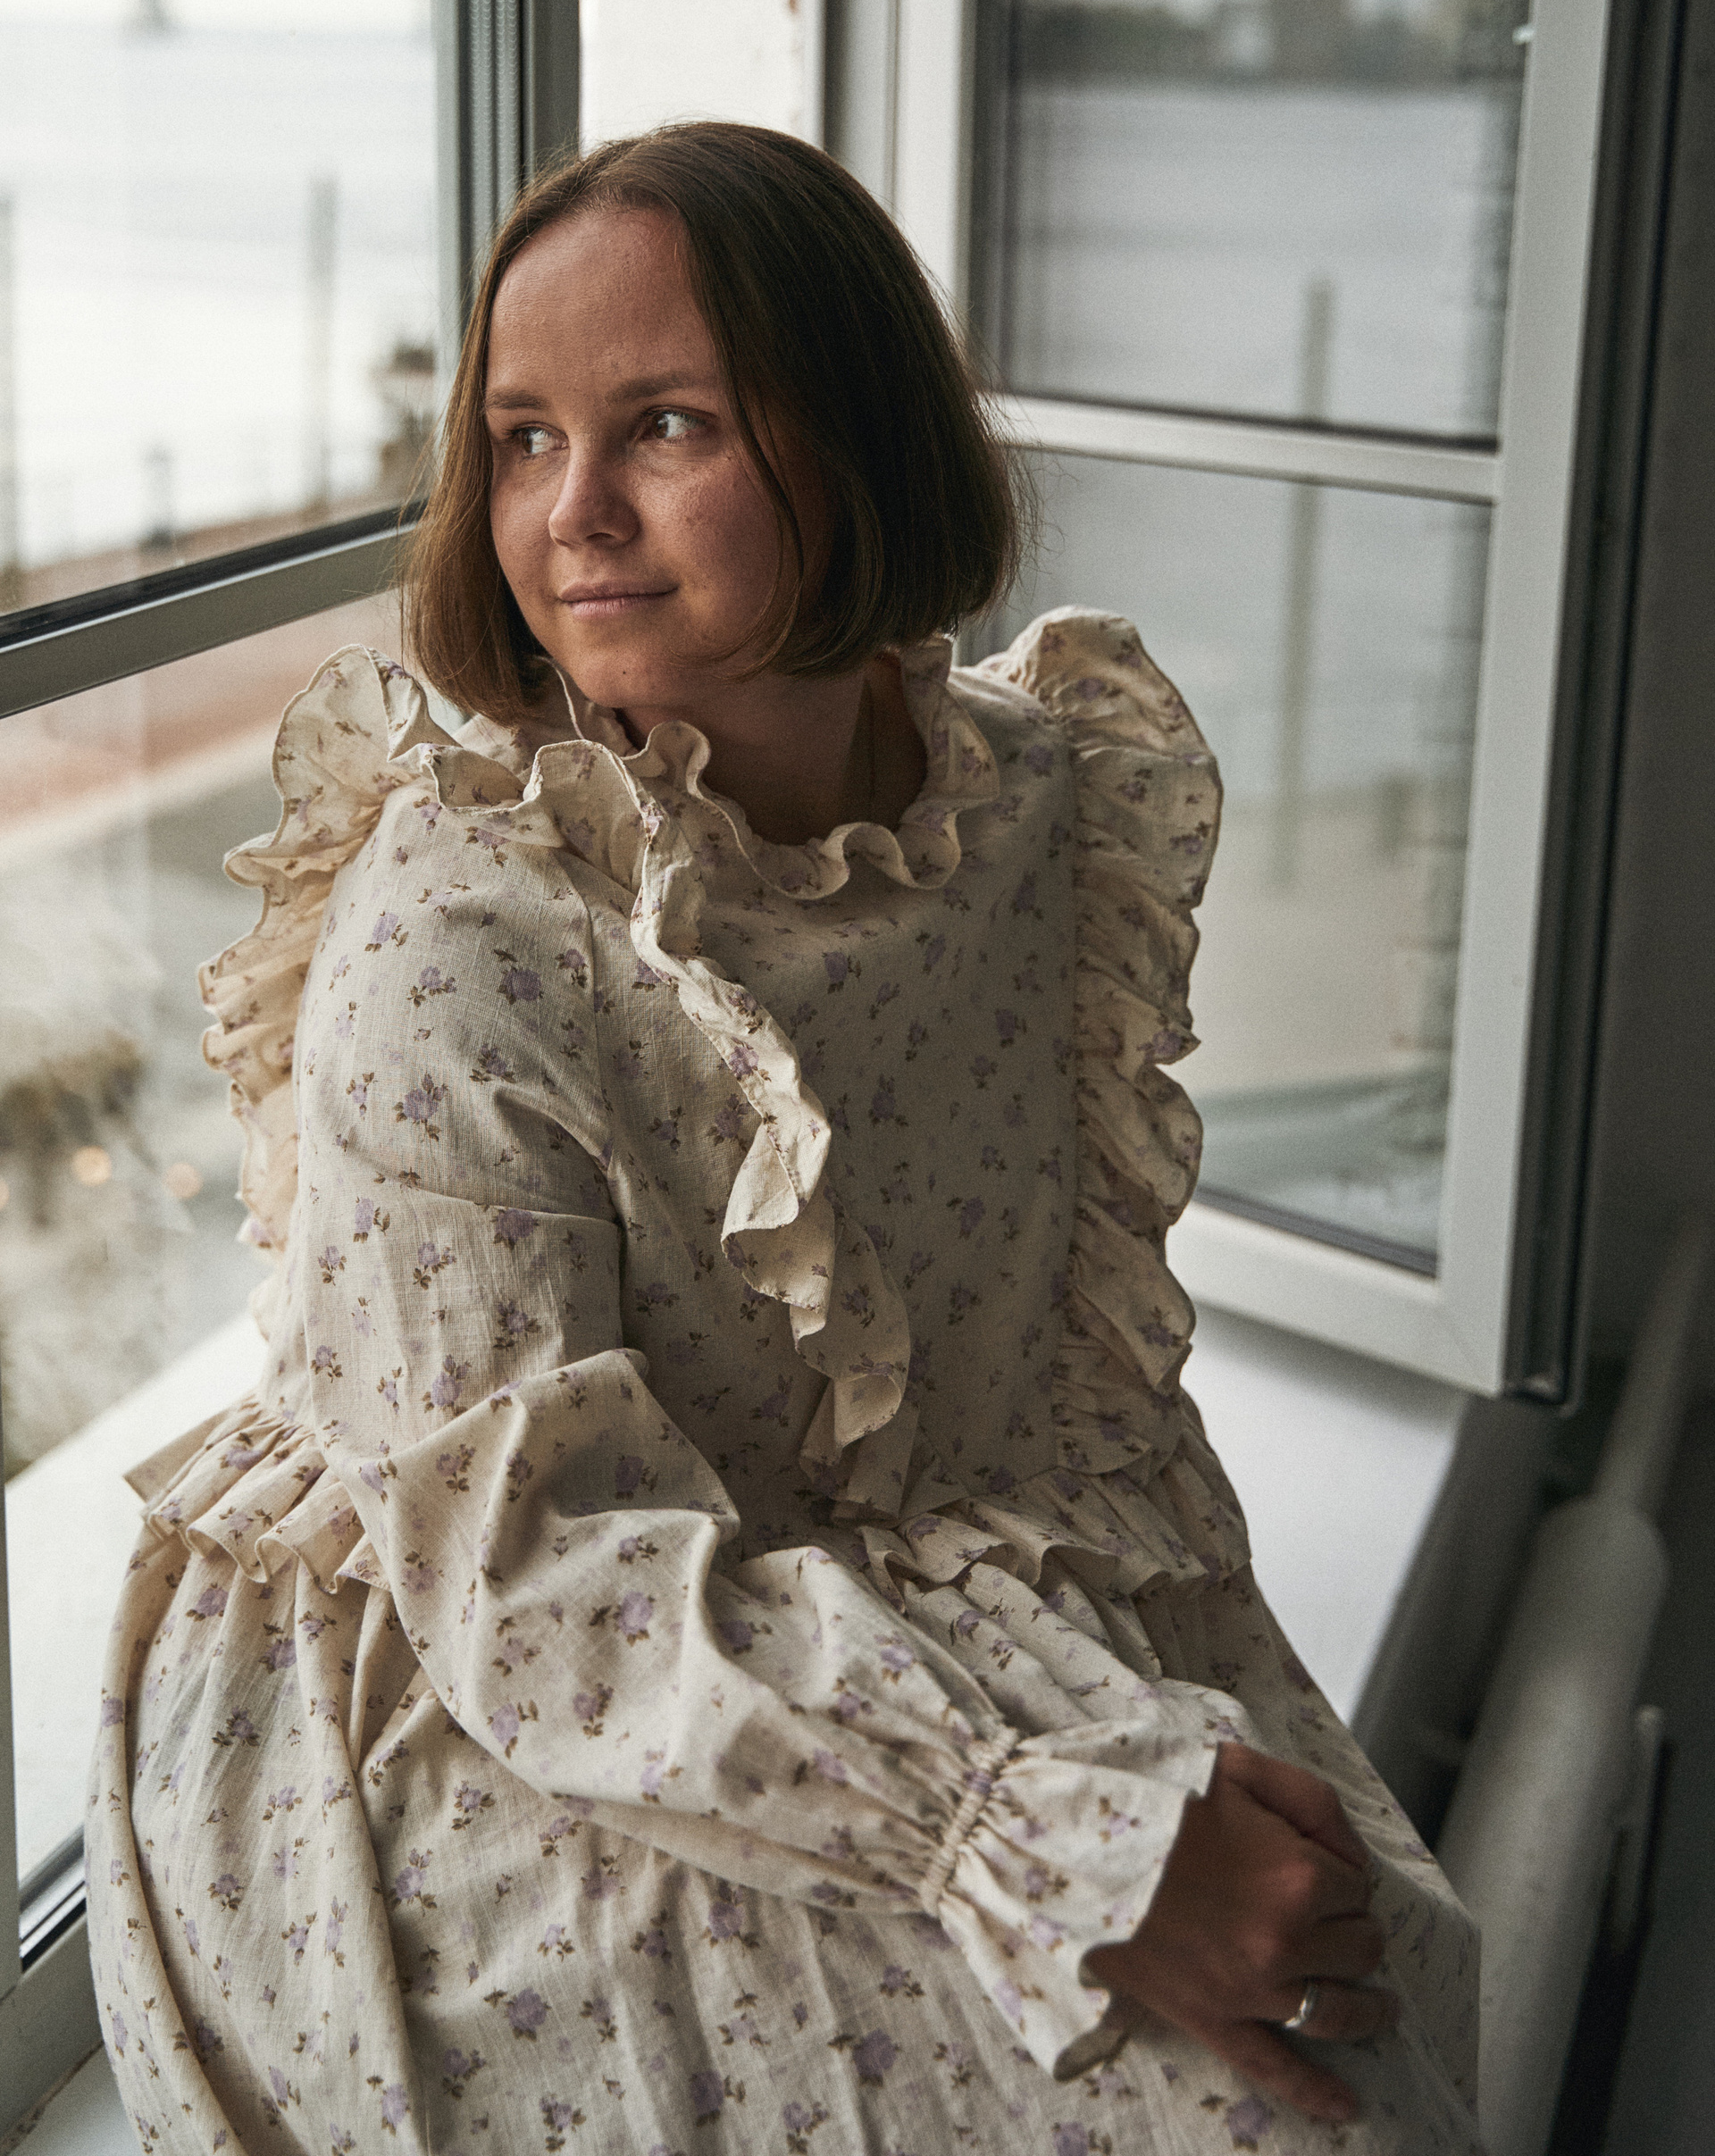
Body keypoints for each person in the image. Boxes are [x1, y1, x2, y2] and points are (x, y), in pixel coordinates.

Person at [87, 121, 1479, 2152]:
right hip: (541, 1675)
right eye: (522, 439)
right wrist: (1031, 1835)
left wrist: (1117, 1753)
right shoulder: (461, 935)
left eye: (666, 425)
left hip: (911, 1578)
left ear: (863, 437)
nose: (574, 515)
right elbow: (535, 1580)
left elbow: (1046, 1353)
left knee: (1357, 2000)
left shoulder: (1033, 798)